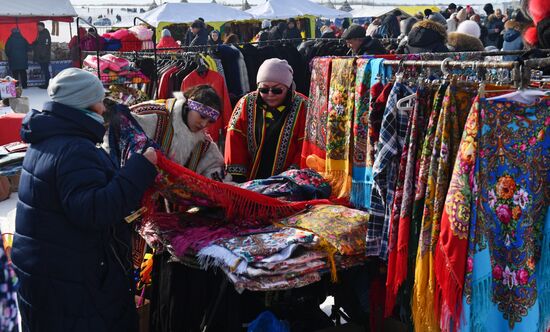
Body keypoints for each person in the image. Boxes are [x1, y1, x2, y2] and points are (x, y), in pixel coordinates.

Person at [12, 68, 158, 331]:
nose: (104, 108)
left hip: (51, 273)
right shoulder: (73, 148)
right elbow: (95, 210)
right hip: (71, 282)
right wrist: (140, 168)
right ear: (84, 103)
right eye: (100, 100)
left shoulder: (49, 137)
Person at [225, 59, 308, 182]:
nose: (270, 94)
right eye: (264, 90)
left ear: (288, 87)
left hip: (288, 184)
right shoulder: (246, 103)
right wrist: (237, 180)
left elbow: (306, 147)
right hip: (249, 183)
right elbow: (235, 140)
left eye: (277, 90)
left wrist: (291, 179)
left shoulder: (303, 106)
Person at [131, 85, 226, 178]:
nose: (204, 124)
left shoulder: (204, 146)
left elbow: (216, 174)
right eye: (202, 116)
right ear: (189, 106)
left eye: (210, 121)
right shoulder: (152, 115)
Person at [32, 22, 51, 89]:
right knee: (44, 70)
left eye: (39, 27)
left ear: (43, 27)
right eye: (37, 28)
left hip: (44, 57)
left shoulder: (45, 34)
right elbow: (40, 44)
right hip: (41, 56)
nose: (38, 29)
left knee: (46, 70)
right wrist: (35, 43)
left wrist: (43, 54)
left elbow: (46, 45)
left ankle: (48, 84)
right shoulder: (40, 34)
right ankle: (47, 83)